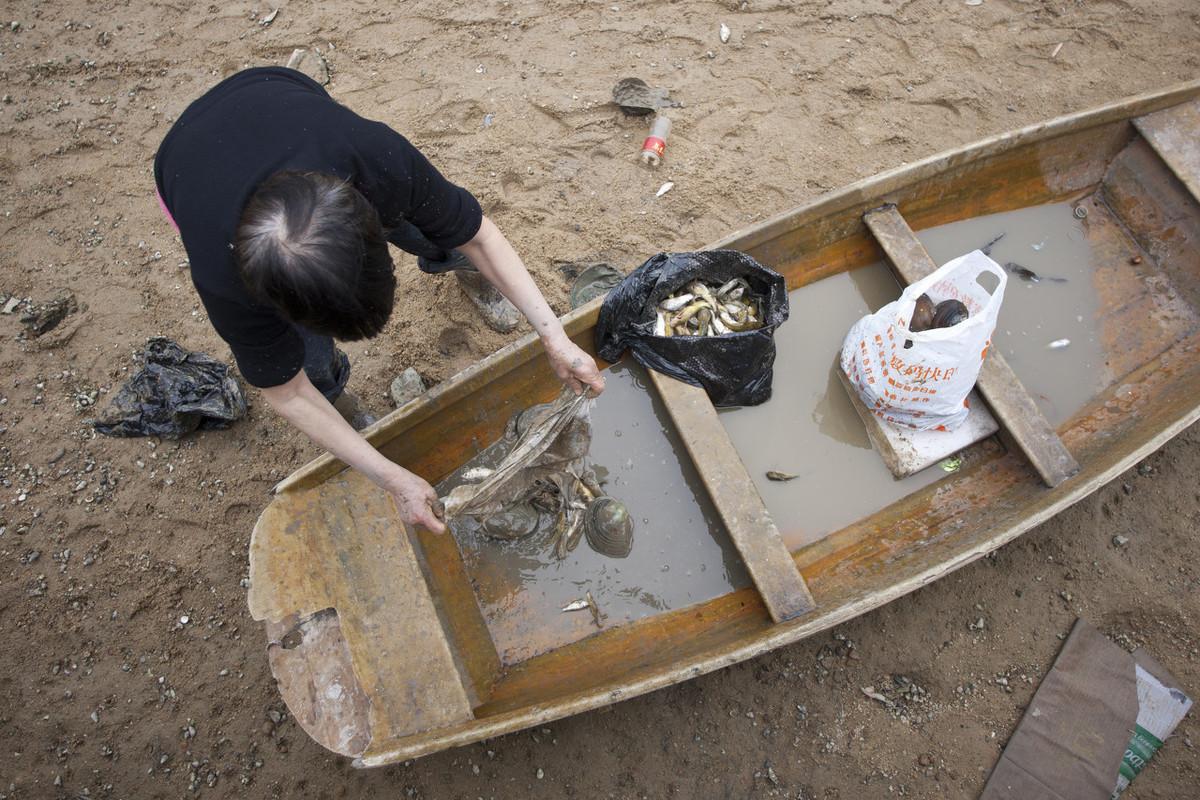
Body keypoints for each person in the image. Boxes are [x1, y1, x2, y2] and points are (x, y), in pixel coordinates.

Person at [154, 67, 604, 534]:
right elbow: (285, 392)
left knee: (439, 227)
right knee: (307, 365)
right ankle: (336, 398)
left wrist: (556, 339)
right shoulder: (223, 276)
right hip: (183, 166)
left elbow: (481, 236)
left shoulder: (374, 158)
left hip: (272, 92)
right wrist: (391, 478)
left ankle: (449, 264)